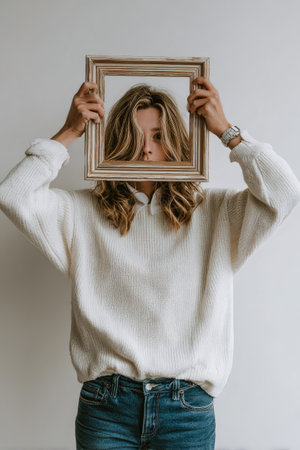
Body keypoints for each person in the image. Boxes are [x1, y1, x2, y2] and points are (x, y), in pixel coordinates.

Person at [1, 77, 300, 450]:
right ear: (116, 143)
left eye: (158, 136)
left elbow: (285, 192)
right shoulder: (81, 212)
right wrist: (68, 132)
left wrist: (227, 132)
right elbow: (12, 196)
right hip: (106, 405)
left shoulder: (216, 212)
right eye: (134, 136)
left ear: (175, 142)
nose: (145, 150)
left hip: (185, 408)